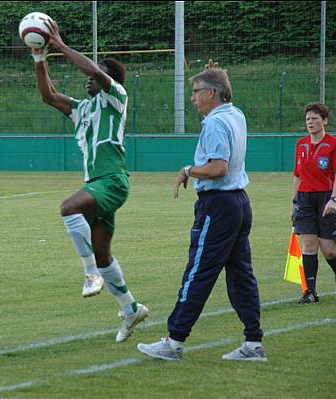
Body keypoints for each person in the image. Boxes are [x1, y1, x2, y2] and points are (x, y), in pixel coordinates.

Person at [137, 60, 266, 361]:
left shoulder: (214, 123)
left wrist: (187, 170)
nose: (192, 98)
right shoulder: (235, 114)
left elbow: (218, 167)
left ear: (211, 93)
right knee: (241, 275)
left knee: (198, 273)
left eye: (196, 92)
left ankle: (174, 342)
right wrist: (221, 75)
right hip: (239, 203)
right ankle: (253, 343)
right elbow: (227, 96)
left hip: (218, 206)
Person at [32, 20, 148, 342]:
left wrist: (61, 44)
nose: (88, 80)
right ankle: (130, 308)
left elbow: (95, 73)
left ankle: (89, 274)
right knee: (103, 254)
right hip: (98, 184)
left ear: (106, 79)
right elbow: (48, 95)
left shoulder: (116, 98)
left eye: (94, 76)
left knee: (69, 208)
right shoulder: (82, 110)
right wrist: (39, 57)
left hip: (111, 181)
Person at [292, 103, 336, 304]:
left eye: (315, 118)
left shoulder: (334, 144)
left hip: (327, 198)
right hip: (305, 199)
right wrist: (294, 203)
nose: (310, 122)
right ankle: (310, 292)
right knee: (308, 244)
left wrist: (334, 199)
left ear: (324, 120)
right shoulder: (300, 144)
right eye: (308, 119)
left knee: (328, 249)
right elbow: (297, 176)